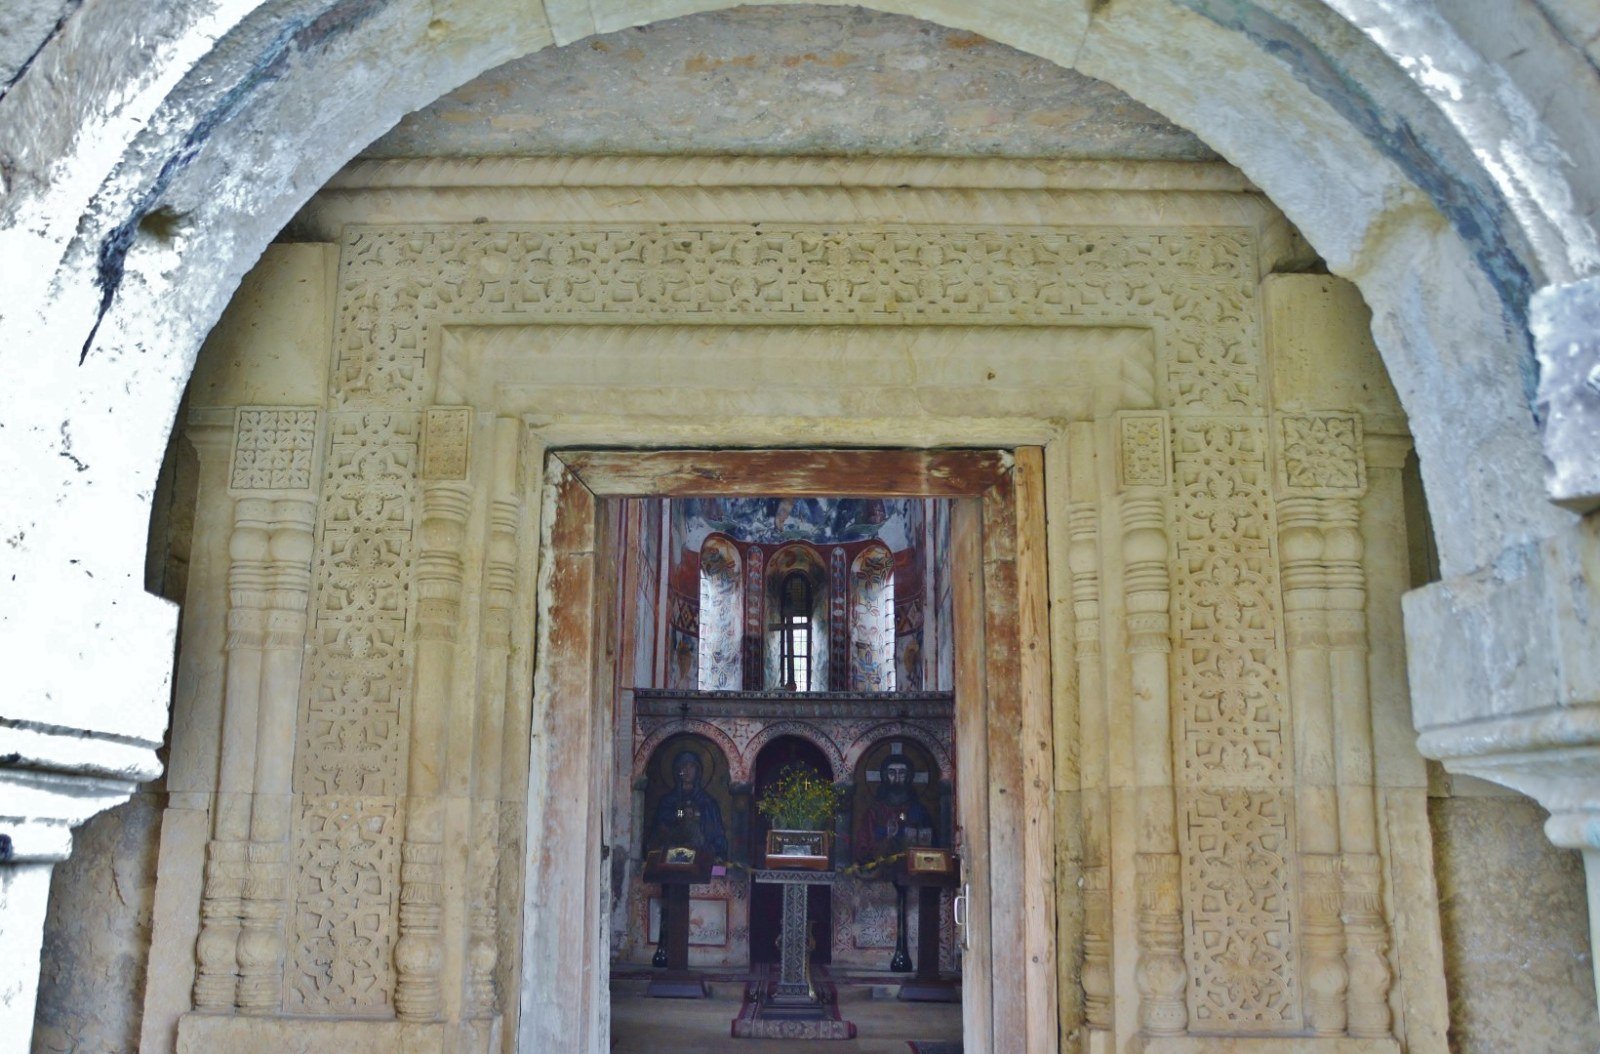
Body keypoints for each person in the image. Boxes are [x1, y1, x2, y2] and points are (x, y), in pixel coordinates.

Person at [854, 754, 936, 864]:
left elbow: (932, 845)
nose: (897, 778)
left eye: (902, 773)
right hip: (881, 868)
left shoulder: (919, 811)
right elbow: (862, 848)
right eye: (892, 773)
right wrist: (885, 843)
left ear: (909, 776)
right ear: (884, 776)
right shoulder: (874, 812)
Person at [649, 750, 729, 861]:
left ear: (697, 771)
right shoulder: (668, 801)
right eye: (683, 766)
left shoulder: (707, 802)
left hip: (700, 855)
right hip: (672, 855)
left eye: (691, 766)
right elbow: (659, 828)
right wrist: (681, 813)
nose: (687, 770)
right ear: (678, 770)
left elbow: (716, 833)